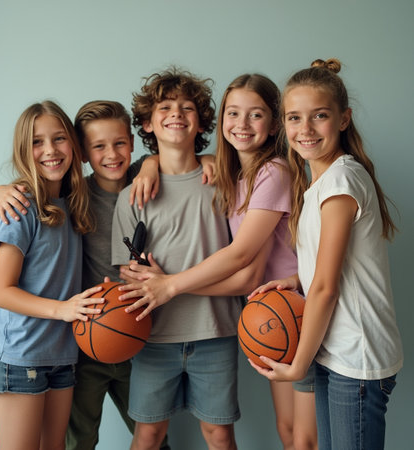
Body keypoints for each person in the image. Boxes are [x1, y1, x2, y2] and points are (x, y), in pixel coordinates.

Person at [0, 99, 215, 449]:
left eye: (119, 143)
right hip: (82, 343)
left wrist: (170, 162)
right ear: (82, 152)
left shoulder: (151, 181)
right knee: (78, 440)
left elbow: (182, 164)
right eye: (97, 146)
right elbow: (31, 189)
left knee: (153, 436)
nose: (111, 154)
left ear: (133, 142)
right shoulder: (73, 192)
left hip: (139, 339)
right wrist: (1, 190)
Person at [119, 74, 317, 450]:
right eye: (234, 113)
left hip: (298, 309)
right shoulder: (235, 177)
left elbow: (246, 267)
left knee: (303, 438)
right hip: (274, 313)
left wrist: (170, 285)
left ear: (274, 124)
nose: (242, 124)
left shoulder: (272, 171)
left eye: (255, 115)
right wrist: (149, 163)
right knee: (290, 432)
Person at [247, 58, 403, 450]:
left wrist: (298, 364)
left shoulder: (341, 181)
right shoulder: (318, 182)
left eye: (319, 116)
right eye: (294, 118)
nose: (306, 129)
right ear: (283, 125)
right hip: (332, 349)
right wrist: (294, 278)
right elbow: (326, 268)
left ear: (344, 119)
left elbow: (326, 289)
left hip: (357, 355)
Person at [111, 67, 243, 450]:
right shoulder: (132, 195)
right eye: (165, 107)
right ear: (148, 124)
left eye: (187, 107)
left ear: (201, 121)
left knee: (219, 434)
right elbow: (127, 271)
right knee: (149, 434)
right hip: (154, 337)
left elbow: (241, 255)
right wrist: (141, 277)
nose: (176, 114)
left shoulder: (223, 181)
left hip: (216, 331)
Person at [0, 100, 106, 450]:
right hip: (21, 357)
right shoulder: (22, 206)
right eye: (37, 142)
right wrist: (64, 309)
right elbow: (2, 291)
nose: (50, 150)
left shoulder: (74, 203)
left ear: (75, 145)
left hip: (63, 356)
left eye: (59, 139)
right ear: (24, 151)